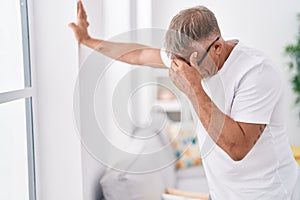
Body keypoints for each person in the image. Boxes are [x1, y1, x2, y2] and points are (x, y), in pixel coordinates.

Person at [69, 1, 300, 199]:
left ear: (217, 47)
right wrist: (88, 40)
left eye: (189, 65)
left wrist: (194, 90)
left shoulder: (256, 72)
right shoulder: (189, 56)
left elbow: (237, 148)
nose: (181, 71)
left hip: (270, 193)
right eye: (177, 63)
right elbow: (139, 55)